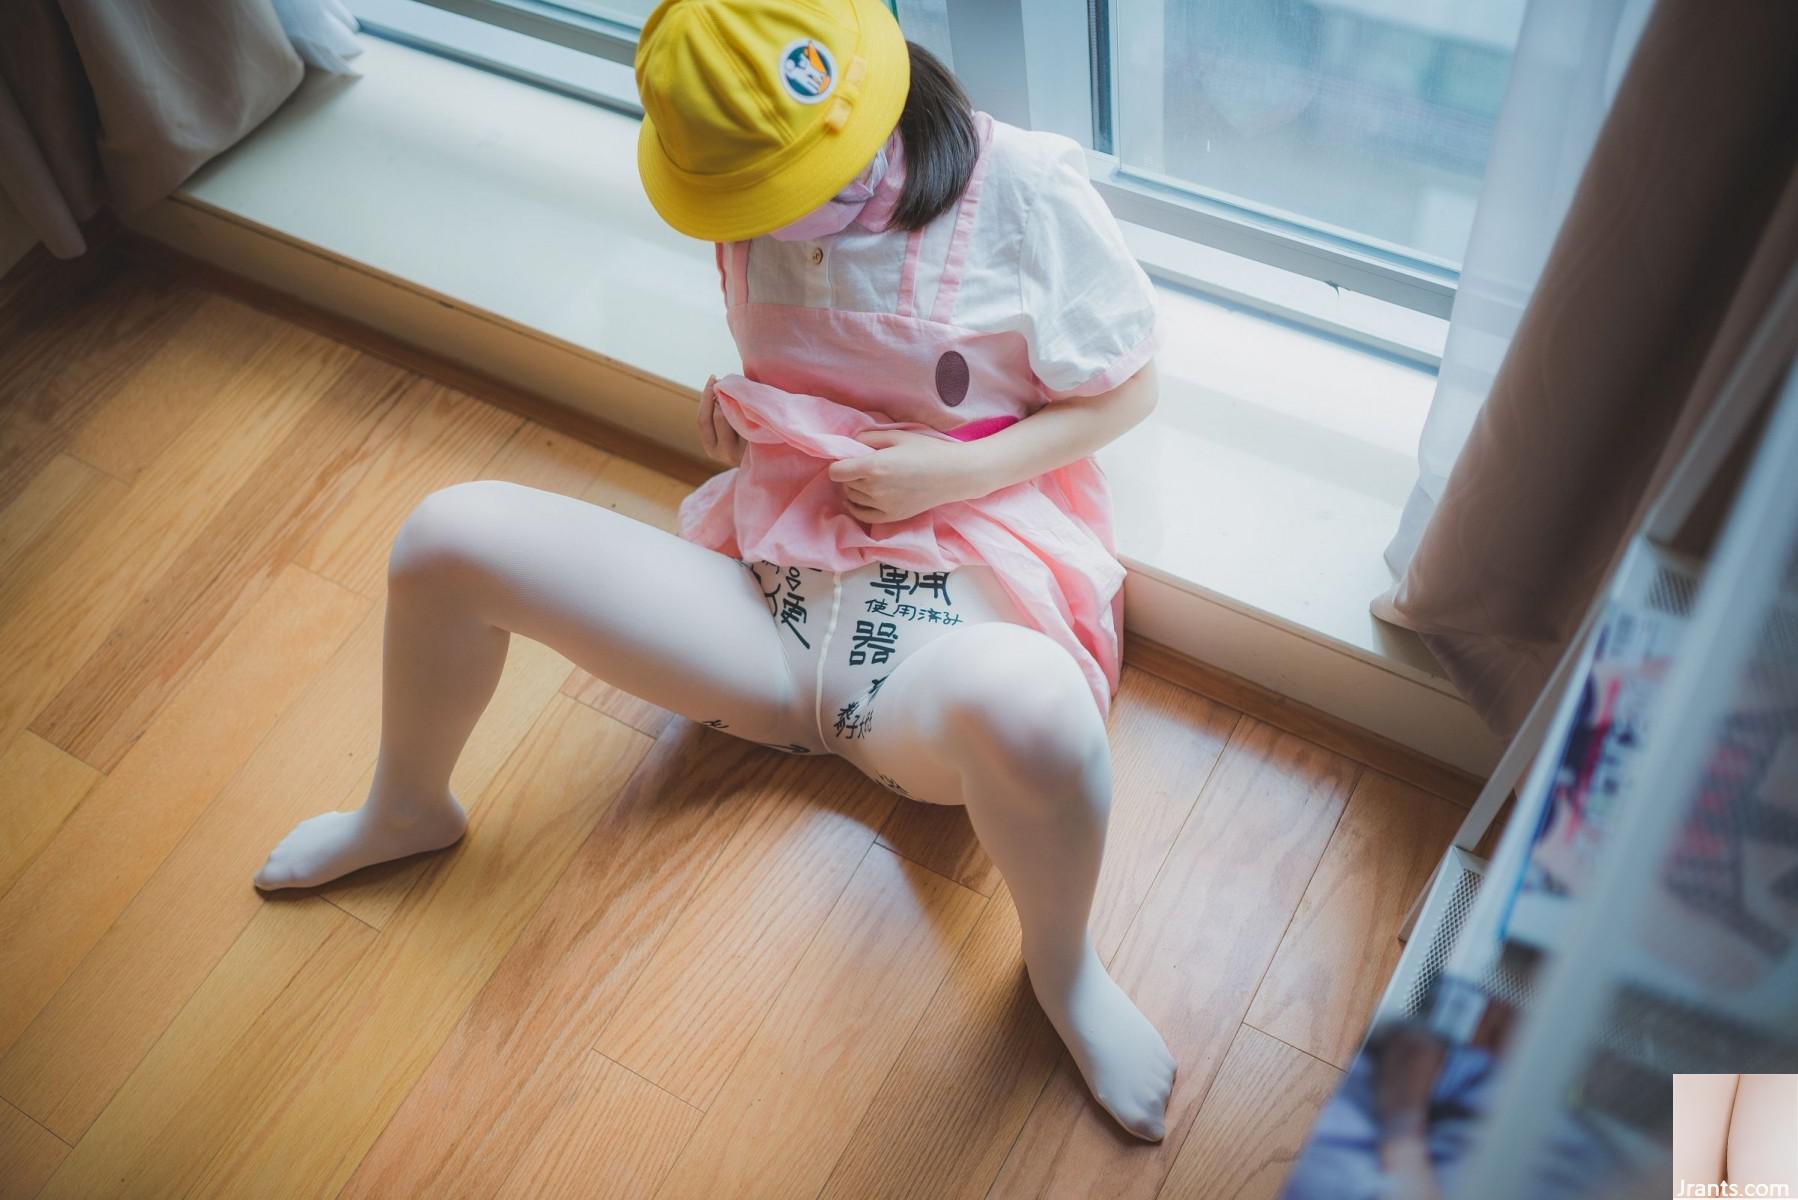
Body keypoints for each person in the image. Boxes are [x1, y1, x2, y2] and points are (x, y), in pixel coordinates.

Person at [252, 0, 1176, 1140]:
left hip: (947, 633)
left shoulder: (1023, 190)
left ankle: (1064, 969)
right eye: (754, 205)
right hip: (769, 607)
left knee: (1034, 715)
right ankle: (405, 807)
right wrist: (747, 426)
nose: (778, 224)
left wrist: (951, 471)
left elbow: (1128, 388)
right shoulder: (744, 198)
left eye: (801, 190)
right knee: (447, 536)